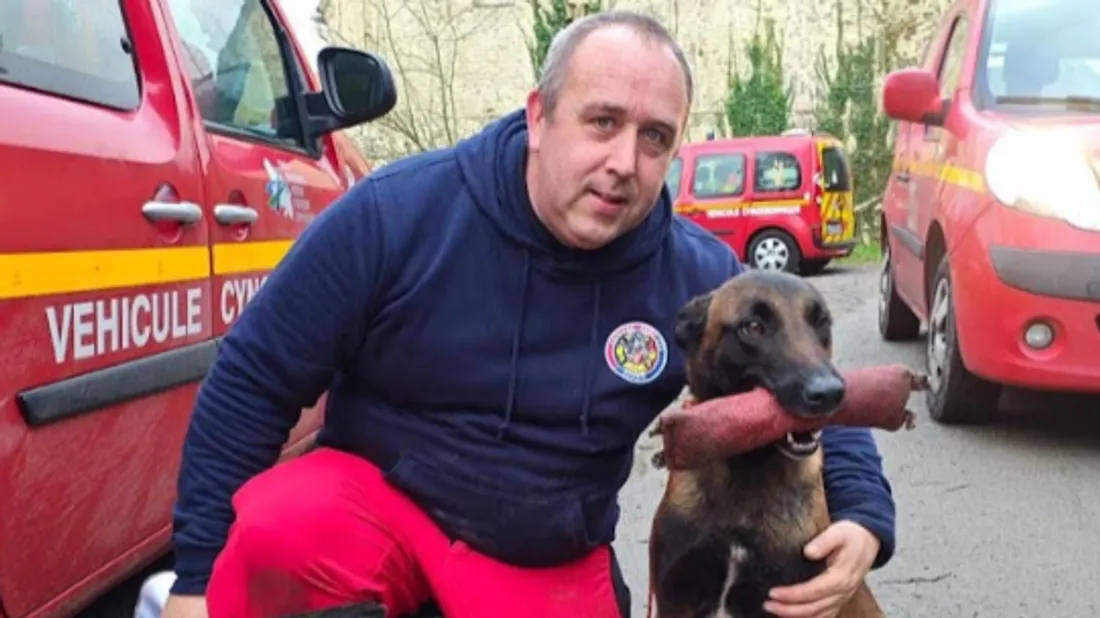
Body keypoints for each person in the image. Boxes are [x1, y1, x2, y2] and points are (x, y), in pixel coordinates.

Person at [160, 10, 896, 618]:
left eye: (654, 137)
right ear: (539, 117)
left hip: (539, 551)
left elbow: (806, 379)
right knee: (280, 532)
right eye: (601, 121)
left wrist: (864, 517)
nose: (624, 162)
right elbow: (252, 381)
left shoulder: (697, 278)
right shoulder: (395, 214)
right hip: (378, 509)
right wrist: (197, 579)